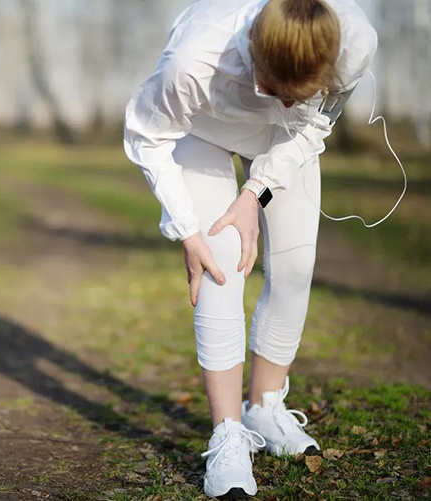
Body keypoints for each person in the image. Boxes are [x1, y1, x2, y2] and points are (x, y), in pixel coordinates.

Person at [123, 0, 378, 498]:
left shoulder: (356, 43)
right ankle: (228, 434)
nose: (286, 102)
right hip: (203, 135)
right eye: (276, 91)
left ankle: (266, 408)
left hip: (283, 144)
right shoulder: (195, 58)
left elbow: (312, 125)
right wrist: (188, 229)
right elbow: (146, 134)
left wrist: (254, 191)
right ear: (256, 59)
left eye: (299, 94)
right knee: (219, 266)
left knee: (296, 266)